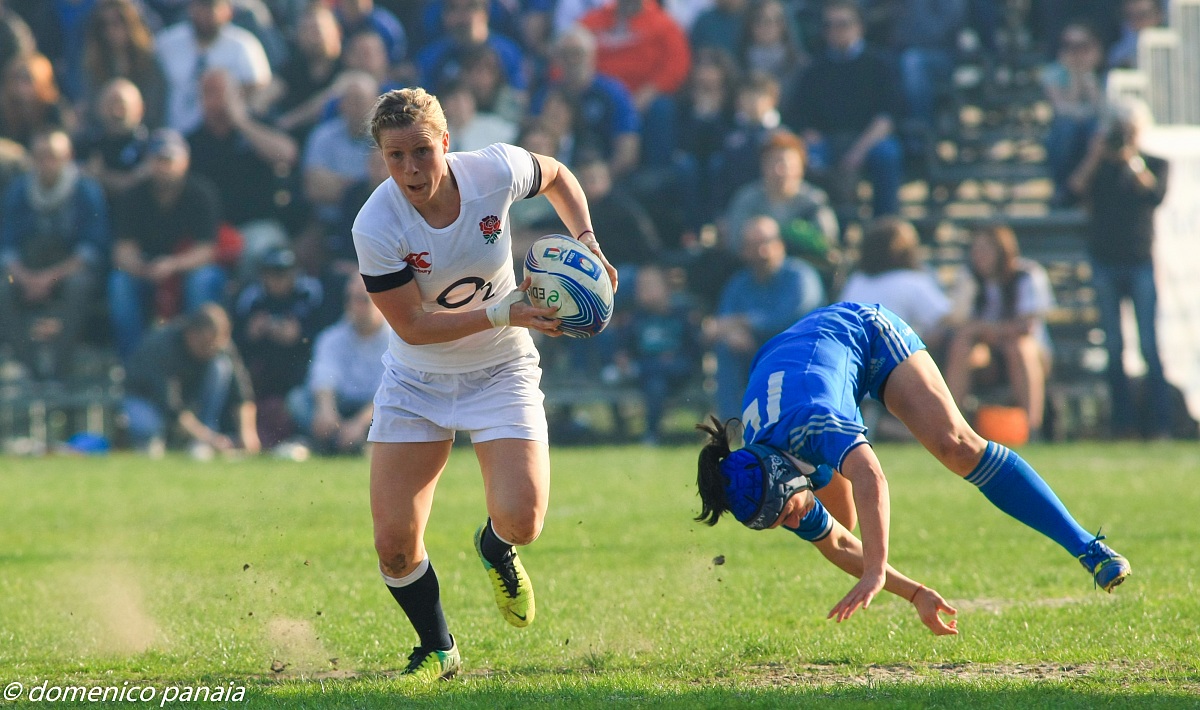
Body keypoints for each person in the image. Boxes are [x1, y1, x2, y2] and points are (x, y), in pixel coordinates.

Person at [352, 87, 617, 682]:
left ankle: (496, 548)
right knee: (394, 544)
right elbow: (414, 328)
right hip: (417, 380)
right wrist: (506, 311)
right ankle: (438, 647)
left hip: (501, 368)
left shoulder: (493, 171)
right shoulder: (375, 223)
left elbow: (556, 175)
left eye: (422, 151)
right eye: (395, 156)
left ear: (447, 142)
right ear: (381, 157)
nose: (411, 169)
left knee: (523, 520)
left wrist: (588, 242)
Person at [694, 302, 1132, 635]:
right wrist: (914, 592)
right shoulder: (762, 476)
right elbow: (838, 543)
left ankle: (1089, 549)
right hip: (802, 361)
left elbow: (871, 476)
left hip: (863, 334)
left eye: (786, 512)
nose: (787, 520)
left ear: (787, 475)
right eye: (779, 521)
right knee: (840, 525)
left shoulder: (812, 422)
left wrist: (876, 569)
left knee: (956, 447)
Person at [1067, 99, 1170, 439]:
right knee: (1114, 347)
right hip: (1105, 260)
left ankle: (1160, 425)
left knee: (1149, 345)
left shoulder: (1153, 162)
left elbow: (1154, 194)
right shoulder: (1100, 166)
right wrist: (1097, 156)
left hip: (1139, 259)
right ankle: (1122, 424)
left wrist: (1132, 159)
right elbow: (1075, 189)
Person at [107, 127, 226, 358]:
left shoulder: (201, 193)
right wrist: (142, 268)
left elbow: (207, 251)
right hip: (147, 271)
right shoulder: (134, 196)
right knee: (119, 283)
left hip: (185, 270)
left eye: (169, 160)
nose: (163, 167)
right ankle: (135, 363)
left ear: (184, 162)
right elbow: (122, 251)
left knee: (204, 279)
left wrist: (171, 265)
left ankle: (197, 357)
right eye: (158, 159)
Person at [0, 128, 109, 379]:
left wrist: (49, 278)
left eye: (53, 155)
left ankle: (58, 372)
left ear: (67, 157)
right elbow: (7, 246)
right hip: (28, 273)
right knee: (4, 289)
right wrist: (26, 277)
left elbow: (92, 250)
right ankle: (30, 369)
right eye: (40, 156)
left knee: (80, 288)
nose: (46, 162)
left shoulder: (86, 191)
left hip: (69, 273)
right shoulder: (19, 191)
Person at [703, 214, 824, 420]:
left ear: (780, 244)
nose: (761, 252)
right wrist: (731, 334)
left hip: (798, 353)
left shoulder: (800, 276)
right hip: (753, 351)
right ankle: (731, 426)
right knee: (726, 348)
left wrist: (744, 322)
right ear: (743, 251)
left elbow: (793, 318)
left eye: (766, 243)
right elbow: (723, 323)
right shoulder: (740, 283)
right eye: (753, 245)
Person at [944, 224, 1054, 434]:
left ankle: (1032, 428)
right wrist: (988, 331)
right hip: (988, 356)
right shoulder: (970, 278)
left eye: (985, 250)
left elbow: (1026, 327)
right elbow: (959, 323)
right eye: (975, 251)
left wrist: (987, 329)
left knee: (1020, 348)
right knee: (962, 347)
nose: (979, 257)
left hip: (1029, 355)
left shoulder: (1026, 274)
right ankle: (952, 426)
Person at [122, 302, 259, 456]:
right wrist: (211, 439)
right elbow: (171, 407)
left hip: (188, 405)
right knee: (149, 428)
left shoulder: (219, 345)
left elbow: (241, 392)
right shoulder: (163, 347)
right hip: (146, 400)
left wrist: (247, 433)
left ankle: (199, 440)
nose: (211, 351)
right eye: (205, 345)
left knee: (221, 366)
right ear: (191, 334)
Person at [288, 275, 389, 455]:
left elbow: (391, 393)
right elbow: (323, 376)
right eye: (350, 298)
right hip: (341, 407)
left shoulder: (396, 340)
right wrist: (326, 411)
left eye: (363, 300)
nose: (355, 305)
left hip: (376, 411)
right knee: (297, 401)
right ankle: (341, 442)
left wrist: (360, 424)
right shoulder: (332, 338)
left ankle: (356, 442)